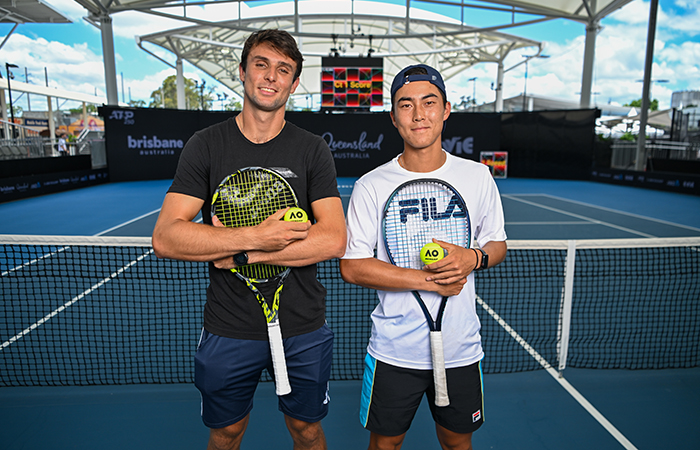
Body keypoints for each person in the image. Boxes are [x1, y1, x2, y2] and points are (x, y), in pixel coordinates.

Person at [152, 29, 346, 450]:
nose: (270, 76)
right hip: (229, 326)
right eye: (261, 64)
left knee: (307, 431)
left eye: (283, 70)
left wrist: (243, 252)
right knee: (226, 433)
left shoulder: (312, 150)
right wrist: (259, 235)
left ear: (294, 84)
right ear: (242, 72)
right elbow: (167, 237)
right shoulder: (205, 145)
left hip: (302, 326)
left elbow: (333, 240)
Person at [339, 64, 507, 450]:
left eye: (429, 103)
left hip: (460, 347)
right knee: (385, 445)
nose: (419, 114)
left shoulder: (478, 176)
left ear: (446, 109)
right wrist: (427, 280)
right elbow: (352, 266)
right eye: (406, 105)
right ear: (394, 118)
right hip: (394, 350)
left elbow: (496, 244)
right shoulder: (370, 186)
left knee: (456, 443)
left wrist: (473, 258)